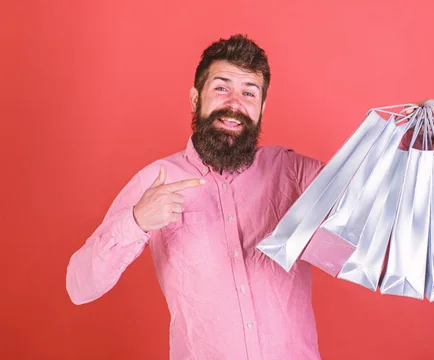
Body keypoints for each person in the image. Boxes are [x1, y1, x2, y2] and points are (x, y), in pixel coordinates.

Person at [66, 34, 325, 360]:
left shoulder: (295, 172)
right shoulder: (156, 180)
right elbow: (80, 286)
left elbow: (371, 206)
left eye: (249, 92)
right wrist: (137, 221)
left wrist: (407, 151)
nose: (235, 103)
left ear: (262, 107)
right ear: (195, 98)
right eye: (221, 87)